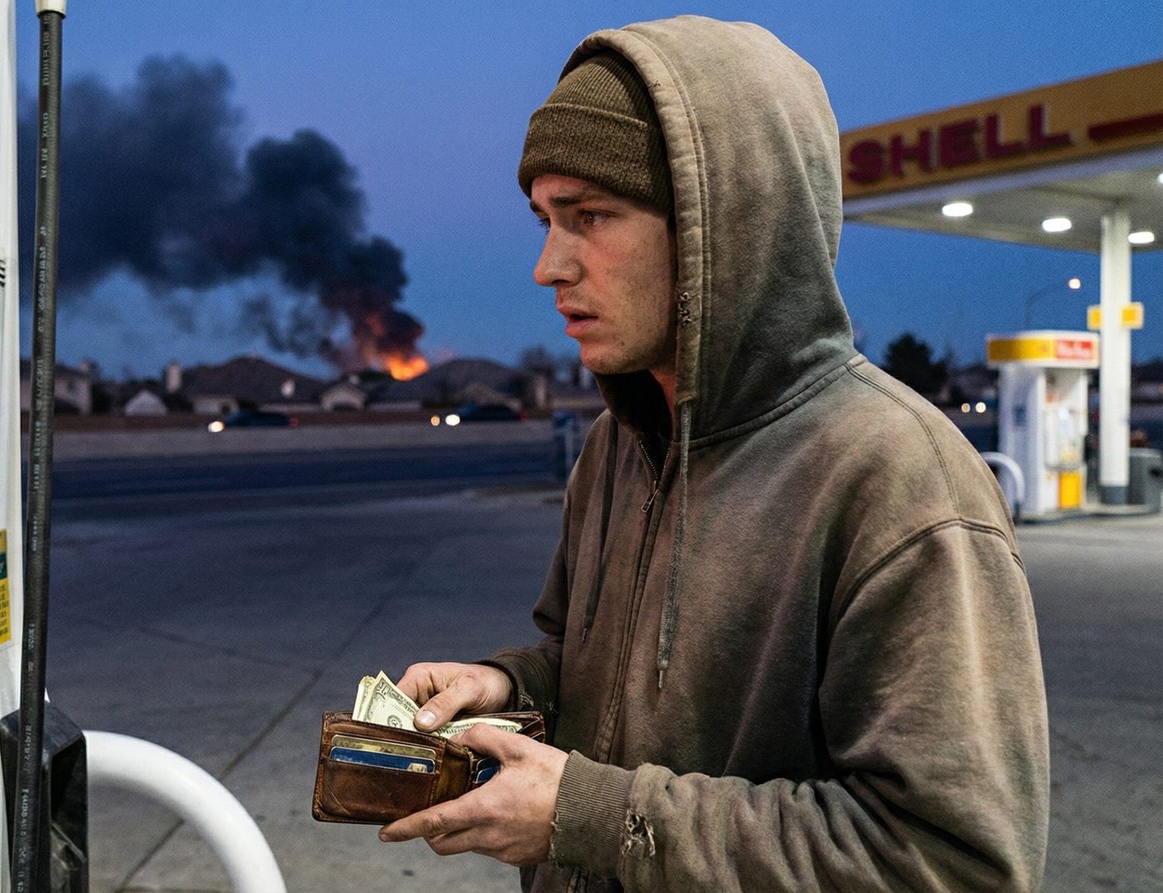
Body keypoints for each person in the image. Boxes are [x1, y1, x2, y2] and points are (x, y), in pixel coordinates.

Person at [377, 15, 1050, 892]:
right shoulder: (619, 444)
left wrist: (593, 815)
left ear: (719, 226)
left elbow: (953, 859)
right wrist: (505, 690)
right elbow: (593, 680)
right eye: (545, 218)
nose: (548, 265)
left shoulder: (901, 480)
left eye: (590, 216)